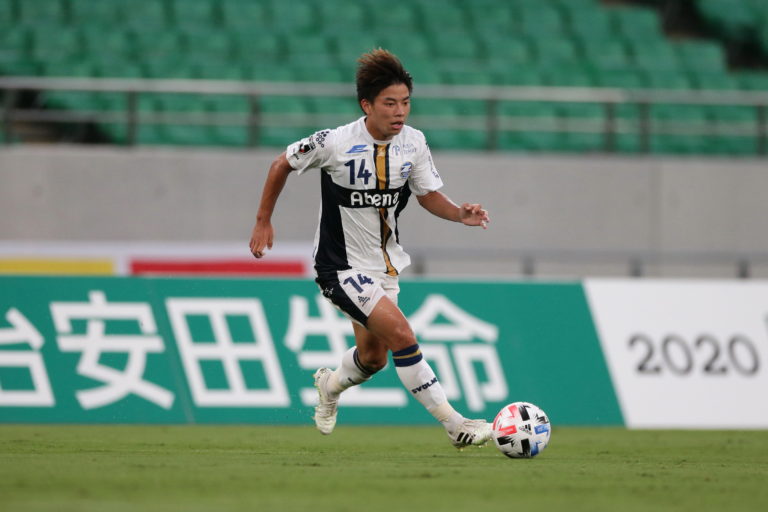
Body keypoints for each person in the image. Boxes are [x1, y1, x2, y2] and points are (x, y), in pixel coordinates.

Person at [249, 49, 492, 449]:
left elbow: (427, 194)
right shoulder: (334, 142)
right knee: (402, 335)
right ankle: (456, 425)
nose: (400, 112)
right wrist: (263, 220)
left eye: (406, 103)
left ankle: (329, 386)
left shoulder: (413, 143)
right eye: (390, 103)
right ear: (367, 105)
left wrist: (458, 213)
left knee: (374, 359)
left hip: (385, 266)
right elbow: (281, 164)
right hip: (339, 267)